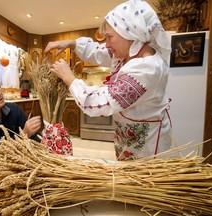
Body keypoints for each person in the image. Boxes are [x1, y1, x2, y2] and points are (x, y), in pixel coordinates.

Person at [44, 0, 172, 160]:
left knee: (144, 182)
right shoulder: (127, 53)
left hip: (148, 145)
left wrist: (69, 77)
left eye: (110, 37)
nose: (107, 44)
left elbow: (97, 103)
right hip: (128, 139)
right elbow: (97, 50)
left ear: (131, 33)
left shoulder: (147, 68)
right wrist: (71, 43)